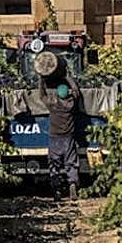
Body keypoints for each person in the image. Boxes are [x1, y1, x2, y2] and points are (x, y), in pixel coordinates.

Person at [37, 54, 82, 199]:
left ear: (57, 94)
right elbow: (76, 91)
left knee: (54, 164)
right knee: (71, 163)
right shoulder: (70, 104)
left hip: (54, 138)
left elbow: (41, 96)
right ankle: (72, 184)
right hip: (68, 138)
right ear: (67, 93)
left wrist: (42, 79)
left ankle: (57, 190)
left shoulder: (53, 105)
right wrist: (67, 76)